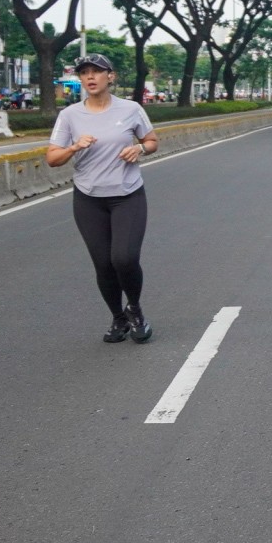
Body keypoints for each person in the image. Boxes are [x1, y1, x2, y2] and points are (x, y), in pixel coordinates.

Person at [44, 54, 158, 343]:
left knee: (124, 258)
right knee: (103, 264)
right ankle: (118, 318)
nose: (90, 77)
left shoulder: (131, 109)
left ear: (111, 76)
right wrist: (74, 147)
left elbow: (152, 141)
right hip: (89, 199)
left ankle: (135, 310)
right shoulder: (69, 115)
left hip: (127, 195)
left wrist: (140, 149)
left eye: (96, 71)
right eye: (84, 73)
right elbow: (52, 159)